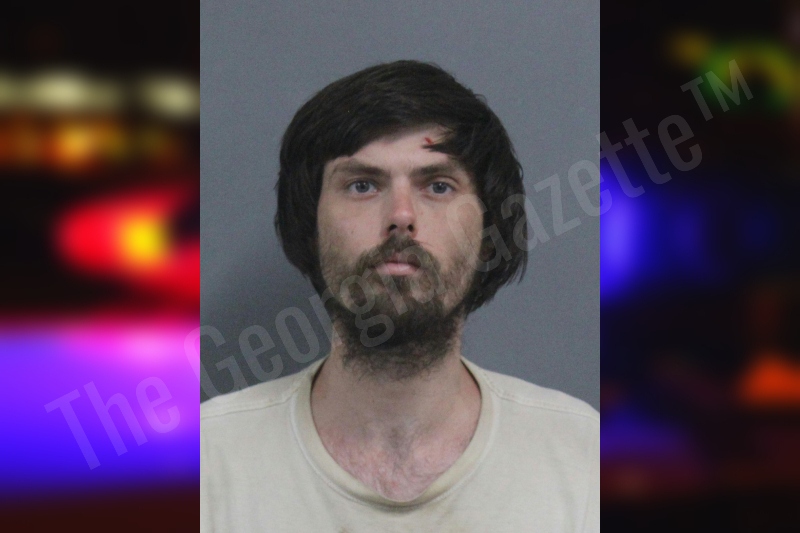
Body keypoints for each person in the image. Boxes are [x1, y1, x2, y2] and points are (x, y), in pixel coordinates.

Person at [201, 60, 599, 532]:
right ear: (310, 228)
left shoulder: (585, 460)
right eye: (362, 185)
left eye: (438, 186)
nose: (401, 216)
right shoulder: (206, 461)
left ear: (489, 235)